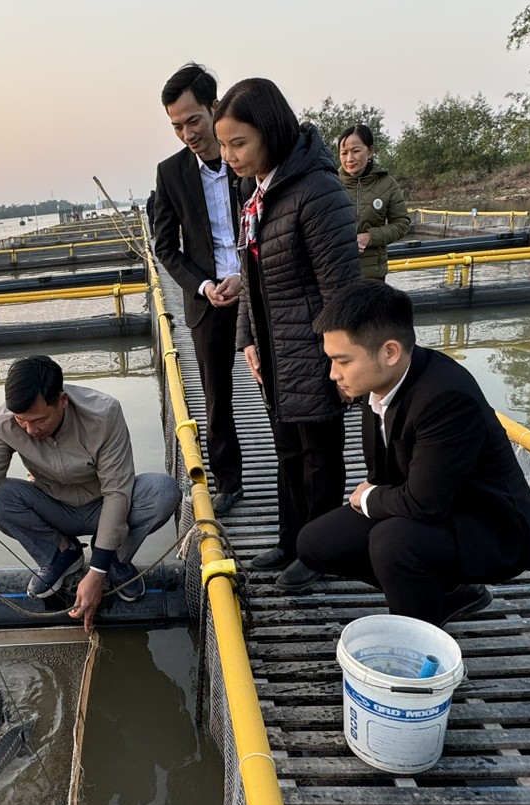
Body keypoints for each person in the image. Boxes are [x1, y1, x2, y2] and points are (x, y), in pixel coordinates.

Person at [293, 279, 530, 625]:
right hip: (431, 506)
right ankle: (447, 594)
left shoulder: (445, 397)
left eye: (343, 361)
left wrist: (368, 499)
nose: (333, 374)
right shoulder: (379, 382)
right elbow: (392, 482)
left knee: (392, 543)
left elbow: (424, 504)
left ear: (390, 351)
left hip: (487, 526)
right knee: (314, 543)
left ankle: (420, 637)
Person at [211, 78, 362, 588]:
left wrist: (338, 361)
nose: (229, 155)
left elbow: (341, 291)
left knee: (321, 456)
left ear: (271, 132)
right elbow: (252, 280)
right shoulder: (260, 194)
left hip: (314, 352)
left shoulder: (318, 192)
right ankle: (292, 540)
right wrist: (247, 342)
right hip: (275, 353)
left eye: (239, 143)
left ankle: (319, 553)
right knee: (289, 452)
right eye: (225, 144)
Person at [0, 355, 181, 632]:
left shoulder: (104, 413)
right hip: (53, 506)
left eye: (39, 420)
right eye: (22, 421)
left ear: (63, 401)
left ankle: (114, 556)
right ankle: (61, 553)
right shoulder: (2, 421)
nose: (31, 430)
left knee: (163, 491)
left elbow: (117, 492)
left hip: (105, 504)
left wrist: (97, 572)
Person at [152, 62, 246, 516]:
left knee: (280, 387)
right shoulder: (170, 174)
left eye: (193, 120)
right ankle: (229, 483)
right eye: (177, 126)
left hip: (258, 288)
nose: (187, 133)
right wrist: (204, 284)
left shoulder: (246, 157)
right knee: (215, 395)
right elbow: (165, 248)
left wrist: (247, 276)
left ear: (214, 108)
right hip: (208, 300)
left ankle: (297, 484)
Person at [337, 124, 411, 281]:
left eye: (356, 151)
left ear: (370, 151)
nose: (349, 158)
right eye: (344, 153)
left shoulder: (387, 183)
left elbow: (402, 223)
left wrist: (370, 237)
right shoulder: (330, 183)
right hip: (337, 272)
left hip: (373, 275)